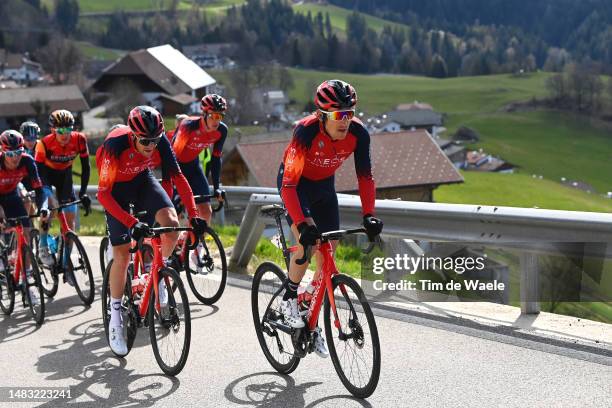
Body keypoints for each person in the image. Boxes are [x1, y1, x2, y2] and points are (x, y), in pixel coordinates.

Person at [277, 80, 383, 357]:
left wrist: (369, 214)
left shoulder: (359, 134)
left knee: (330, 252)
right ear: (322, 115)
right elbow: (289, 185)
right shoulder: (305, 132)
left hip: (324, 189)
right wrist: (302, 224)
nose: (345, 120)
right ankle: (289, 298)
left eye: (349, 113)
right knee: (308, 242)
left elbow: (365, 178)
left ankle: (310, 309)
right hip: (296, 185)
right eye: (338, 115)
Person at [96, 105, 206, 356]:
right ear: (133, 135)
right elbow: (102, 194)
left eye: (155, 140)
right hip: (114, 192)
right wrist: (131, 222)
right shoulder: (115, 146)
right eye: (145, 141)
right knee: (122, 254)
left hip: (142, 180)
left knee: (171, 224)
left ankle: (158, 274)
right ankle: (115, 315)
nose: (151, 145)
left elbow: (179, 178)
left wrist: (195, 215)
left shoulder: (160, 141)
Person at [35, 110, 91, 272]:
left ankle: (66, 261)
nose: (65, 134)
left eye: (68, 129)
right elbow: (37, 171)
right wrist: (45, 196)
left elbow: (86, 167)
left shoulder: (79, 139)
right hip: (45, 175)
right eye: (60, 130)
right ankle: (43, 244)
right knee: (49, 210)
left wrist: (84, 192)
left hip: (65, 175)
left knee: (70, 221)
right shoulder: (44, 143)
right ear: (53, 130)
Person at [0, 130, 47, 305]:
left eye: (18, 152)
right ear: (3, 152)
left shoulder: (27, 161)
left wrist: (43, 208)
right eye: (10, 154)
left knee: (26, 233)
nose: (14, 158)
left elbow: (40, 190)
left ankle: (28, 281)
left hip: (11, 195)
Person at [171, 94, 227, 223]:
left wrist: (217, 186)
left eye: (220, 116)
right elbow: (173, 157)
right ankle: (174, 240)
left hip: (194, 167)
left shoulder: (222, 130)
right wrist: (175, 187)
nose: (216, 121)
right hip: (176, 167)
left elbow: (216, 159)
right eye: (213, 116)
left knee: (206, 211)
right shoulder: (188, 126)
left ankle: (196, 242)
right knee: (175, 214)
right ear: (204, 114)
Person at [18, 121, 41, 215]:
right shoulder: (17, 146)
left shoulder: (41, 146)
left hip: (36, 178)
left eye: (33, 138)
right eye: (27, 139)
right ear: (22, 137)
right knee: (26, 206)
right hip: (21, 179)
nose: (30, 142)